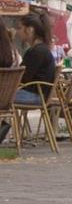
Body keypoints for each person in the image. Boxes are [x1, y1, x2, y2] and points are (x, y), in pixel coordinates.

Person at [0, 13, 58, 145]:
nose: (18, 31)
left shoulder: (37, 52)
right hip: (39, 94)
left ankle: (2, 131)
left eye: (20, 28)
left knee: (3, 96)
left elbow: (23, 78)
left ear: (30, 29)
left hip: (35, 95)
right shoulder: (41, 49)